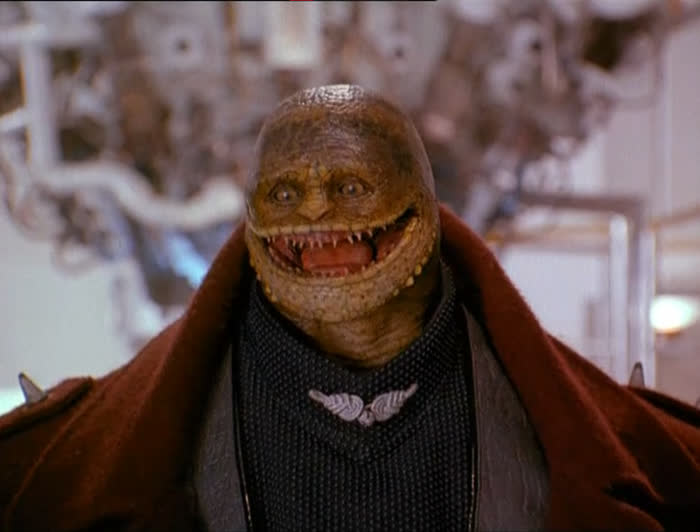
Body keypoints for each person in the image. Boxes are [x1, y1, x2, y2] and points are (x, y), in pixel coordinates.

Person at [1, 85, 698, 532]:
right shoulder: (30, 477)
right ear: (250, 215)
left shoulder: (675, 470)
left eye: (353, 185)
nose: (315, 211)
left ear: (423, 206)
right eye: (283, 194)